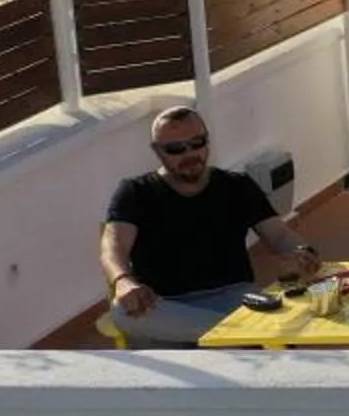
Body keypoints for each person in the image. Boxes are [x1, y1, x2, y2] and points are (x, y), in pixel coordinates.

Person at [99, 106, 322, 345]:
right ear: (157, 151)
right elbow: (113, 245)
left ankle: (234, 336)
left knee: (285, 308)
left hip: (234, 296)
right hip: (166, 305)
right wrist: (123, 281)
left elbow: (279, 235)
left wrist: (303, 253)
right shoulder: (136, 192)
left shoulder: (237, 186)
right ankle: (241, 336)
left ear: (208, 140)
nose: (189, 153)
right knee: (125, 313)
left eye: (197, 142)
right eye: (175, 149)